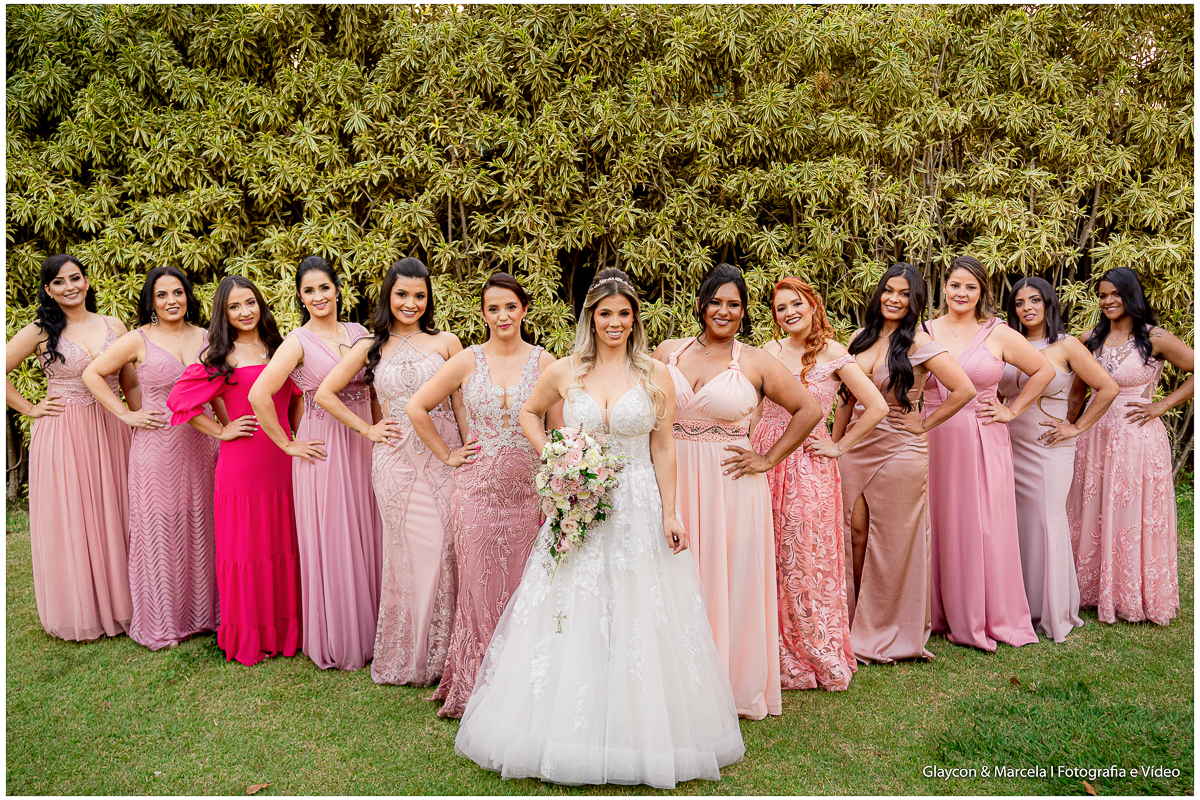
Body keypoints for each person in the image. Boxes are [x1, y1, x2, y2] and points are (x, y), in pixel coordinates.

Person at [454, 268, 745, 789]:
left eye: (623, 313)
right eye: (605, 313)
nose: (615, 322)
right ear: (591, 318)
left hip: (637, 502)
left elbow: (663, 446)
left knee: (640, 609)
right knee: (573, 607)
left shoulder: (655, 374)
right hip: (580, 505)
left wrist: (671, 511)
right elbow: (530, 414)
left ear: (635, 319)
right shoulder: (565, 370)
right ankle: (566, 729)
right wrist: (557, 456)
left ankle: (640, 730)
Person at [652, 263, 822, 720]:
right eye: (716, 302)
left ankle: (729, 684)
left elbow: (808, 409)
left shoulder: (756, 361)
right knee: (674, 575)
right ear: (700, 305)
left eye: (734, 304)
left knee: (728, 579)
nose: (724, 311)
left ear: (744, 311)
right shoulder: (668, 352)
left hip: (731, 485)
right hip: (673, 478)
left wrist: (767, 459)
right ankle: (676, 684)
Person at [408, 272, 560, 719]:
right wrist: (448, 454)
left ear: (524, 310)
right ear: (483, 314)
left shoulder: (545, 362)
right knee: (478, 588)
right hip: (476, 493)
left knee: (525, 588)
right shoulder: (467, 360)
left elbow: (557, 429)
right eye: (493, 308)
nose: (502, 315)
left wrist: (558, 480)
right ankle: (475, 685)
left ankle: (522, 686)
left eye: (510, 306)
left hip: (529, 495)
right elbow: (417, 407)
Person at [315, 257, 467, 685]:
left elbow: (460, 401)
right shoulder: (370, 346)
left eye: (419, 295)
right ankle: (410, 656)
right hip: (395, 463)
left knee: (445, 548)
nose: (411, 303)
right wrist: (368, 428)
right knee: (405, 554)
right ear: (388, 295)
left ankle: (444, 654)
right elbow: (326, 393)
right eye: (402, 294)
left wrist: (468, 445)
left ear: (428, 299)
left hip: (444, 455)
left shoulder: (447, 342)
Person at [751, 277, 887, 690]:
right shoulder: (768, 352)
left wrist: (839, 446)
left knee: (804, 557)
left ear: (813, 305)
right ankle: (766, 646)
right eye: (781, 308)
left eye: (796, 304)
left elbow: (876, 406)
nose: (789, 312)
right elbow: (755, 410)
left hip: (808, 466)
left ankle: (811, 646)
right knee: (766, 551)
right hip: (763, 456)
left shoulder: (833, 353)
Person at [835, 263, 974, 663]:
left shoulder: (919, 343)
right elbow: (845, 398)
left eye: (904, 294)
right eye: (889, 290)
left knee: (892, 542)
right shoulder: (858, 339)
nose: (894, 299)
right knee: (854, 533)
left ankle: (886, 628)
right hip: (855, 445)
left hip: (900, 449)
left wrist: (923, 423)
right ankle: (851, 622)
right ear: (879, 293)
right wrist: (835, 445)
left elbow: (964, 389)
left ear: (915, 302)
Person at [250, 256, 383, 671]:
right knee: (336, 534)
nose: (318, 296)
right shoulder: (297, 342)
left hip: (364, 440)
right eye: (309, 291)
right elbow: (259, 395)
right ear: (301, 297)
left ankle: (379, 630)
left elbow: (374, 389)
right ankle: (343, 636)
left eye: (324, 287)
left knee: (370, 527)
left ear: (338, 289)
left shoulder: (360, 333)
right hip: (324, 447)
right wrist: (287, 443)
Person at [167, 275, 306, 665]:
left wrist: (299, 435)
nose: (245, 312)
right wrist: (221, 430)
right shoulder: (220, 356)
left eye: (250, 302)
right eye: (234, 306)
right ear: (223, 314)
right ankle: (250, 635)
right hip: (242, 465)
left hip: (284, 460)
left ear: (260, 304)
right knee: (247, 550)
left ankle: (288, 630)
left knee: (285, 544)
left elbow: (298, 395)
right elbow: (179, 401)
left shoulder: (281, 347)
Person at [81, 266, 219, 650]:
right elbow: (93, 375)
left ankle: (206, 616)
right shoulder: (137, 339)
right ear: (151, 302)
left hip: (203, 445)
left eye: (178, 292)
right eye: (162, 295)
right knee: (160, 530)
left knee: (203, 524)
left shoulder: (208, 337)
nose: (171, 301)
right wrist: (126, 414)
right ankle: (163, 623)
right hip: (156, 448)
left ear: (188, 296)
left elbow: (221, 389)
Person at [921, 255, 1054, 651]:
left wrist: (1011, 410)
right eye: (955, 285)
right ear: (944, 288)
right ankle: (935, 610)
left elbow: (1044, 371)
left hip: (981, 436)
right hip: (931, 435)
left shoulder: (997, 332)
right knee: (935, 519)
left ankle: (984, 611)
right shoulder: (923, 329)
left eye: (971, 287)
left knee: (982, 524)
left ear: (982, 292)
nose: (961, 293)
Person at [5, 254, 137, 641]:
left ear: (87, 281)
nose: (70, 287)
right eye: (59, 282)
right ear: (48, 290)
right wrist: (30, 408)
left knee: (118, 507)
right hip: (65, 429)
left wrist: (139, 420)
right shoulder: (39, 330)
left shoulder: (114, 325)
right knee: (76, 513)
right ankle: (84, 608)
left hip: (113, 426)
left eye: (75, 278)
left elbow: (130, 382)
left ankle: (127, 602)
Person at [1067, 267, 1193, 625]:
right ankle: (1088, 589)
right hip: (1093, 435)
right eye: (1102, 295)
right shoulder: (1089, 338)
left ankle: (1129, 593)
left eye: (1115, 294)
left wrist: (1163, 404)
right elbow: (1077, 390)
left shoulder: (1155, 338)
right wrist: (1069, 427)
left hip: (1136, 437)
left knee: (1129, 510)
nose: (1107, 301)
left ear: (1131, 295)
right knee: (1090, 508)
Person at [997, 277, 1118, 642]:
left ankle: (1051, 610)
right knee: (1014, 523)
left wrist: (1076, 427)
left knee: (1045, 522)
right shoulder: (1007, 342)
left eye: (1035, 300)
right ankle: (1016, 605)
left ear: (1048, 303)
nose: (1027, 308)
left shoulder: (1066, 345)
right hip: (1007, 444)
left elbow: (1107, 387)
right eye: (1019, 303)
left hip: (1048, 447)